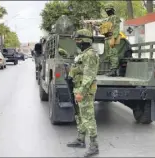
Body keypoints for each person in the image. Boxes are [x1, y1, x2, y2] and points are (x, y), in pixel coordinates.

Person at [67, 29, 100, 157]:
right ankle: (80, 139)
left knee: (88, 117)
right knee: (79, 115)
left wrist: (81, 92)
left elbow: (89, 76)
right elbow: (79, 69)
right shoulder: (83, 53)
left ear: (86, 40)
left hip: (84, 90)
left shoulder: (90, 54)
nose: (76, 42)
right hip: (78, 88)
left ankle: (94, 146)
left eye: (78, 39)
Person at [88, 4, 121, 77]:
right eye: (106, 10)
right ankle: (112, 70)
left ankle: (114, 70)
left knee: (113, 54)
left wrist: (114, 38)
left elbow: (115, 28)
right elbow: (102, 24)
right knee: (109, 55)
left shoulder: (114, 17)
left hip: (112, 38)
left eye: (108, 9)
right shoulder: (108, 19)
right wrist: (94, 24)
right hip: (107, 38)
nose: (107, 11)